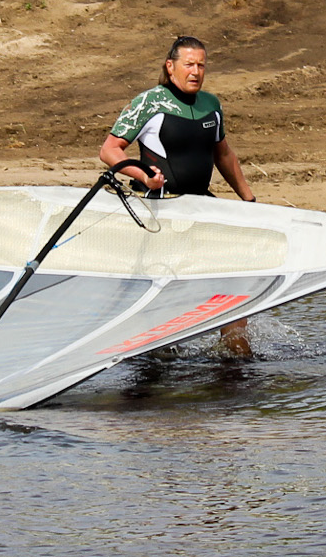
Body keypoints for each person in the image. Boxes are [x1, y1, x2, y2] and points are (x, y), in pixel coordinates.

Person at [99, 35, 257, 356]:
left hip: (201, 205)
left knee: (233, 276)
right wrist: (143, 175)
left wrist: (249, 200)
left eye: (201, 65)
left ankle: (237, 356)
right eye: (189, 64)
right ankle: (155, 353)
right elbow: (110, 150)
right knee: (164, 288)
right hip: (161, 210)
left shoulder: (211, 105)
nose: (196, 71)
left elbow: (223, 154)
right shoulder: (150, 103)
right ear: (170, 67)